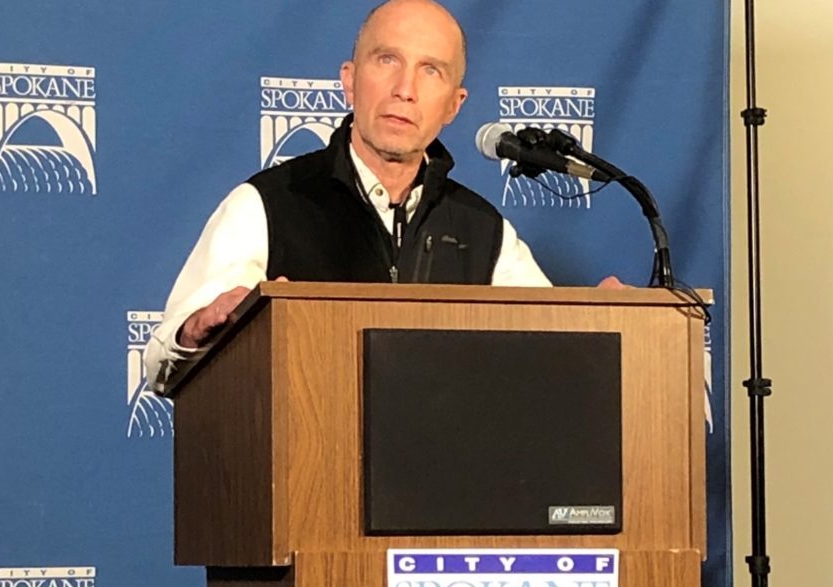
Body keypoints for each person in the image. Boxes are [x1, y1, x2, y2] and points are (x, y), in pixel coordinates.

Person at [145, 0, 618, 395]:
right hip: (305, 488)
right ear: (350, 80)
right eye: (387, 60)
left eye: (431, 70)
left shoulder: (484, 230)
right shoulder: (267, 205)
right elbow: (164, 362)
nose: (404, 90)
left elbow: (555, 352)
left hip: (444, 491)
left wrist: (608, 329)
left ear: (454, 105)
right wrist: (194, 331)